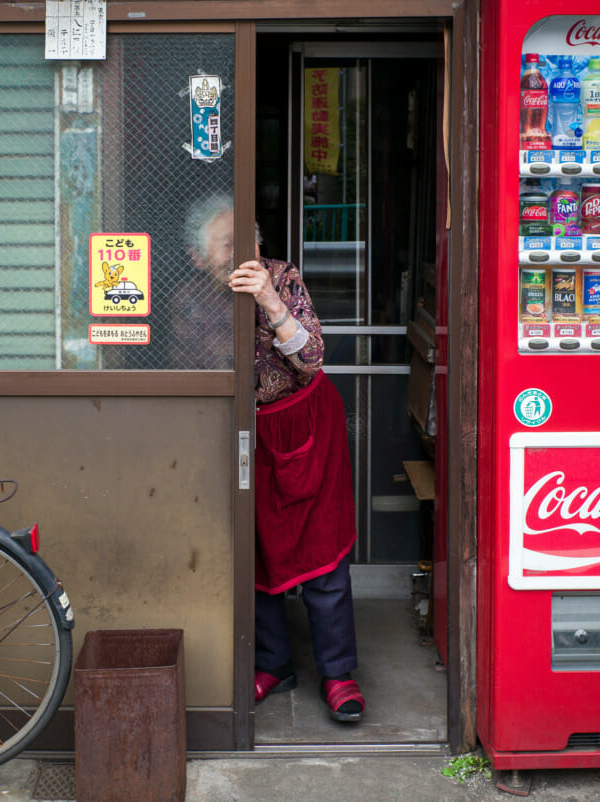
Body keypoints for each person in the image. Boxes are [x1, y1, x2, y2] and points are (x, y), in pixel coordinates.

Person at [184, 195, 364, 723]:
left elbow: (310, 360)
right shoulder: (188, 299)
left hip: (305, 423)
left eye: (251, 242)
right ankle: (273, 663)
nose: (245, 254)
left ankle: (338, 673)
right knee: (255, 549)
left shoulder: (282, 278)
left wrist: (270, 301)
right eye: (228, 244)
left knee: (322, 549)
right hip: (245, 433)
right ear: (199, 259)